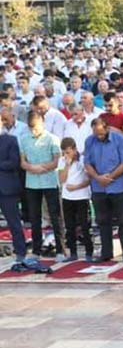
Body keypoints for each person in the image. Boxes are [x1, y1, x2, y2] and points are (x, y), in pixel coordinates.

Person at [84, 118, 123, 263]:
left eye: (101, 133)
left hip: (119, 186)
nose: (99, 136)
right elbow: (87, 163)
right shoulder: (90, 141)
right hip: (98, 187)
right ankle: (106, 253)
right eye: (96, 133)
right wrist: (98, 178)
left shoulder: (120, 139)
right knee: (102, 221)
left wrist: (109, 177)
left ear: (107, 129)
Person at [20, 111, 65, 261]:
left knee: (55, 215)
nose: (35, 131)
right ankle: (36, 250)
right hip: (32, 183)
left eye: (37, 128)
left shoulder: (52, 139)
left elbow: (57, 160)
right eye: (32, 129)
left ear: (43, 124)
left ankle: (60, 249)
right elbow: (22, 161)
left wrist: (42, 167)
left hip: (50, 181)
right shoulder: (24, 139)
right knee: (34, 216)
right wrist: (31, 168)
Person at [57, 138, 93, 262]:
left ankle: (89, 252)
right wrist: (67, 165)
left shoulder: (82, 160)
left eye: (68, 152)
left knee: (84, 225)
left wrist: (76, 187)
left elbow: (89, 180)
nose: (66, 155)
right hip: (67, 197)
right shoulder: (62, 161)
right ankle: (73, 252)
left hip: (81, 196)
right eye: (64, 152)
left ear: (74, 149)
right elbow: (61, 179)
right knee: (69, 226)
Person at [0, 129, 26, 262]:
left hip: (6, 188)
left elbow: (14, 162)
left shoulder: (11, 140)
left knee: (14, 222)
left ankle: (21, 252)